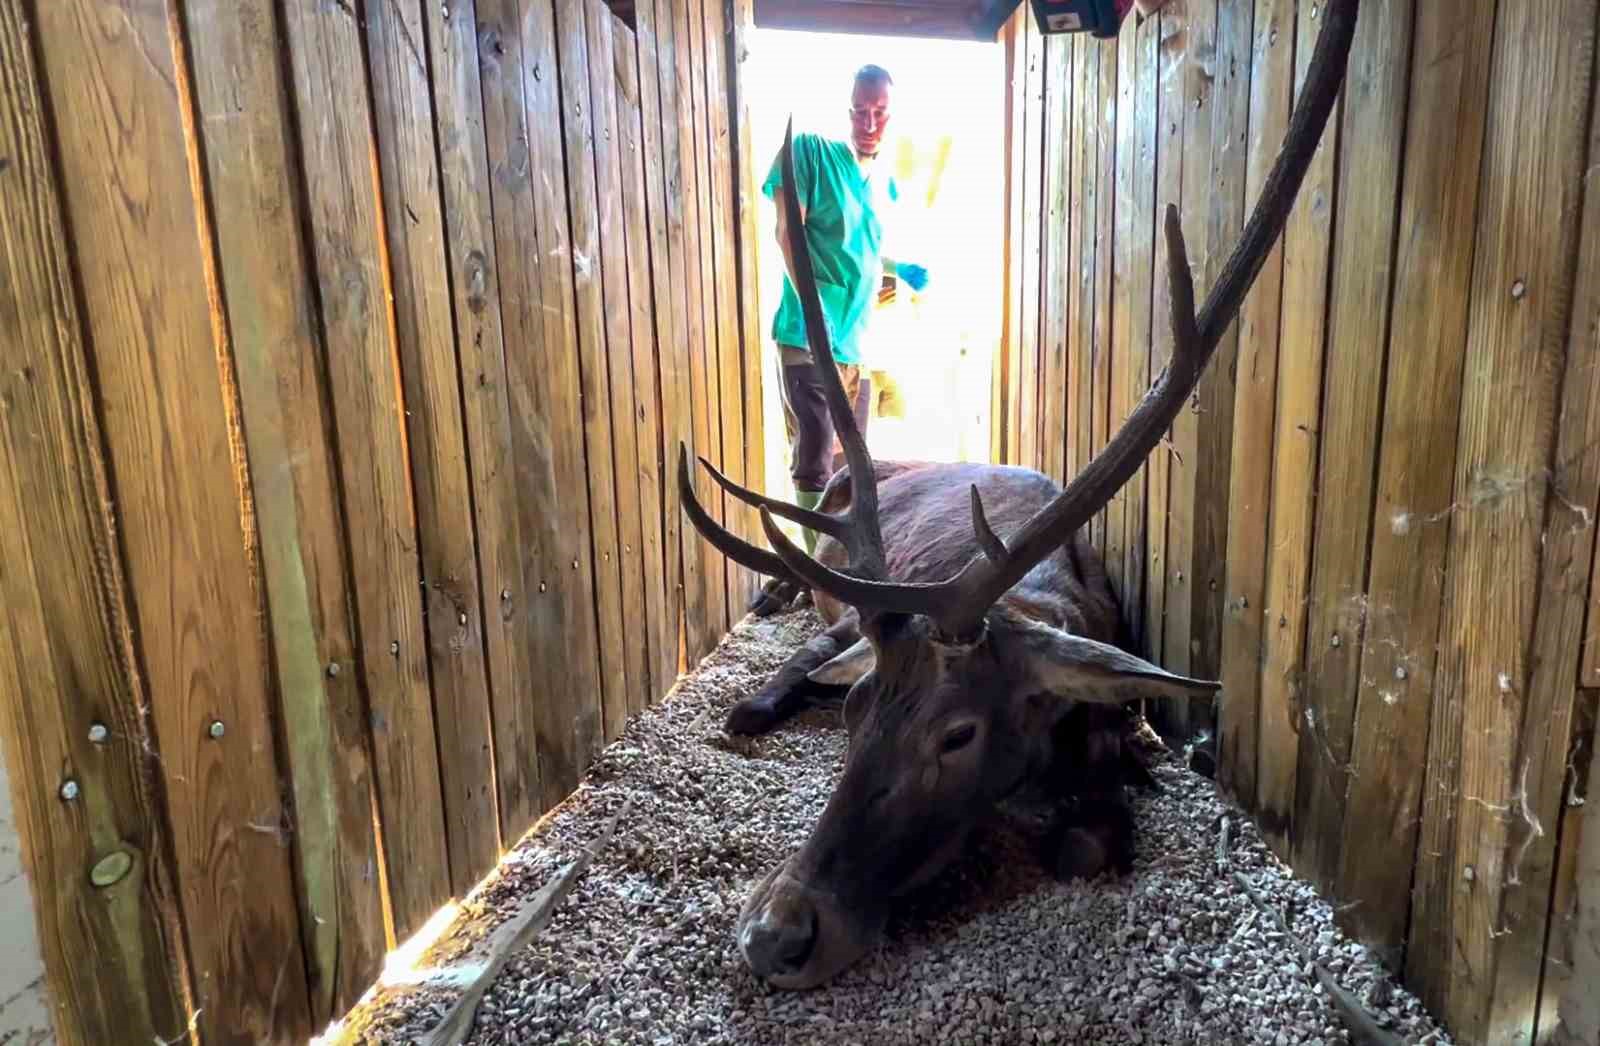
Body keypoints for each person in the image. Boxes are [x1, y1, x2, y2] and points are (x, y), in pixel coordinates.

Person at [761, 64, 930, 553]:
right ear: (849, 110)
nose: (869, 122)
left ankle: (843, 562)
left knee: (848, 457)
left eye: (879, 113)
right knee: (815, 447)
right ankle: (818, 573)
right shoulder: (810, 152)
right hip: (807, 336)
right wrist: (815, 310)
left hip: (853, 344)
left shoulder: (872, 188)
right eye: (860, 110)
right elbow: (787, 232)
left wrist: (898, 268)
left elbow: (859, 253)